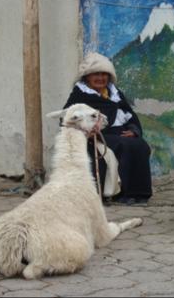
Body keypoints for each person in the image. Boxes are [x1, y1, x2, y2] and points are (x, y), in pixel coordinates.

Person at [62, 52, 152, 205]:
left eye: (104, 74)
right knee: (126, 146)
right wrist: (85, 131)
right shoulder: (80, 95)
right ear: (87, 77)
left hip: (119, 133)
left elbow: (129, 114)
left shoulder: (114, 93)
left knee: (140, 145)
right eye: (96, 74)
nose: (101, 78)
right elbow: (67, 117)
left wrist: (133, 129)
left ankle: (140, 193)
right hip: (98, 136)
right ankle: (123, 193)